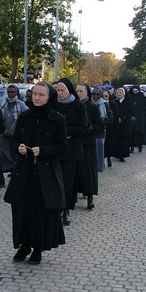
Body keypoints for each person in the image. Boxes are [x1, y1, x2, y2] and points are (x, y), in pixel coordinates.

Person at [3, 82, 67, 266]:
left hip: (44, 173)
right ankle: (24, 245)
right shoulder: (24, 116)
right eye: (35, 94)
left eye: (42, 95)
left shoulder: (57, 119)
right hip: (24, 172)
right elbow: (14, 141)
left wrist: (44, 150)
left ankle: (38, 248)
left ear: (49, 98)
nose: (37, 98)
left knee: (40, 212)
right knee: (21, 210)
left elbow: (63, 147)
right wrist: (19, 148)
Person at [54, 78, 88, 226]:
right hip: (56, 150)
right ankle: (55, 209)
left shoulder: (79, 106)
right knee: (55, 181)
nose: (60, 93)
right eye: (58, 90)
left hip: (72, 151)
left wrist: (67, 131)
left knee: (68, 182)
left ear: (69, 91)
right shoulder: (54, 105)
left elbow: (84, 127)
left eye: (62, 90)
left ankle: (66, 210)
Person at [76, 83, 101, 210]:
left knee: (89, 171)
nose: (79, 93)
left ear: (87, 92)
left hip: (88, 142)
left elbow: (99, 124)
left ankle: (90, 196)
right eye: (77, 91)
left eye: (81, 91)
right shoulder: (74, 106)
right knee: (75, 170)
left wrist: (90, 129)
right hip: (75, 142)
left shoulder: (93, 107)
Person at [0, 85, 28, 174]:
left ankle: (16, 169)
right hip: (5, 133)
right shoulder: (3, 104)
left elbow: (25, 119)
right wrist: (5, 131)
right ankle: (10, 168)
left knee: (16, 152)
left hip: (17, 134)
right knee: (5, 152)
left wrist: (15, 131)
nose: (10, 94)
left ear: (16, 92)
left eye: (12, 92)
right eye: (9, 92)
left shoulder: (21, 105)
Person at [113, 87, 134, 162]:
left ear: (124, 94)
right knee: (117, 139)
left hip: (126, 124)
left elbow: (130, 112)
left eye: (120, 93)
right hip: (117, 124)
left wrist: (123, 118)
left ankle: (122, 155)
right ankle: (117, 154)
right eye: (117, 93)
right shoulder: (115, 102)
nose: (118, 94)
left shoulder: (128, 102)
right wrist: (117, 118)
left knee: (124, 140)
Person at [102, 88, 118, 167]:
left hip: (110, 127)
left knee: (109, 144)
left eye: (106, 96)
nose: (105, 97)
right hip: (102, 127)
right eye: (103, 96)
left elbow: (115, 117)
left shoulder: (113, 104)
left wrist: (115, 128)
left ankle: (108, 158)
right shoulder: (99, 104)